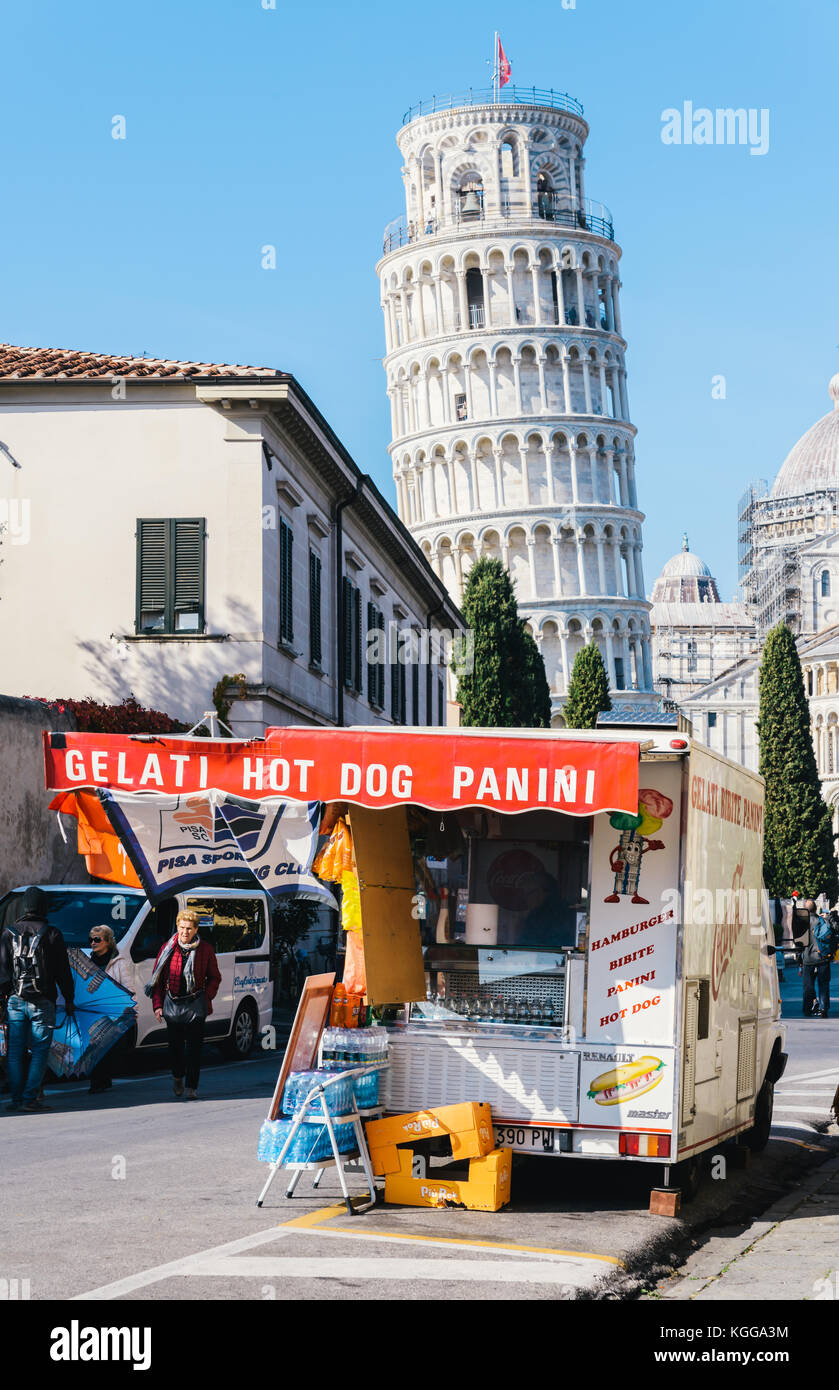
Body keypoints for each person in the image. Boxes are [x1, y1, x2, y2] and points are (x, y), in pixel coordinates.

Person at [0, 887, 74, 1113]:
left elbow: (2, 971)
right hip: (43, 999)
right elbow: (63, 971)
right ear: (43, 907)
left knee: (14, 1051)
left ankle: (16, 1099)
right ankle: (30, 1097)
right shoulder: (52, 934)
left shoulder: (8, 933)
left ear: (24, 907)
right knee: (40, 1051)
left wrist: (4, 999)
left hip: (15, 999)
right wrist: (69, 999)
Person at [148, 909, 221, 1100]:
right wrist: (157, 1005)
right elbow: (156, 980)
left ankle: (191, 1087)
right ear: (177, 927)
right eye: (182, 928)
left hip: (195, 1003)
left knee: (195, 1048)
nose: (185, 932)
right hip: (173, 1002)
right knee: (175, 1047)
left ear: (196, 929)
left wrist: (207, 997)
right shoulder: (168, 948)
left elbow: (215, 977)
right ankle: (178, 1076)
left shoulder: (205, 949)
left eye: (189, 928)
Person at [85, 924, 135, 1096]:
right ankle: (97, 1081)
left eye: (97, 939)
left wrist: (128, 1010)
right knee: (93, 1046)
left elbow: (129, 989)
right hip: (92, 1010)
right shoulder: (88, 962)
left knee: (105, 1047)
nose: (93, 943)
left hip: (113, 1012)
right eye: (91, 939)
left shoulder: (119, 962)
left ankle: (102, 1080)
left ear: (107, 941)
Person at [795, 898, 837, 1018]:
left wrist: (800, 962)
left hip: (808, 959)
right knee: (823, 984)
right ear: (815, 909)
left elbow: (799, 944)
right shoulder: (822, 920)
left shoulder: (802, 923)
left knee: (808, 985)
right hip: (823, 957)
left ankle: (808, 1008)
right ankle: (824, 1008)